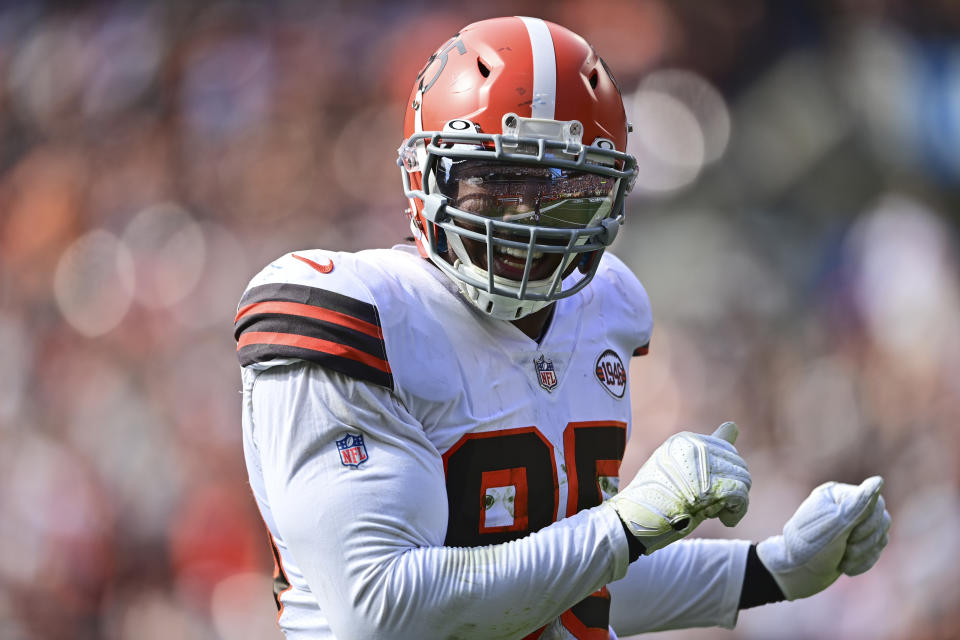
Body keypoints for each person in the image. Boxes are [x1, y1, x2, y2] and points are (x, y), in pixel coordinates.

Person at [234, 16, 891, 640]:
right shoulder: (357, 314)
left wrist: (773, 569)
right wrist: (626, 526)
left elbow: (568, 583)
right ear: (425, 176)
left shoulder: (604, 307)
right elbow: (383, 611)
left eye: (563, 187)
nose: (526, 215)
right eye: (496, 180)